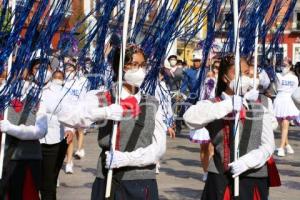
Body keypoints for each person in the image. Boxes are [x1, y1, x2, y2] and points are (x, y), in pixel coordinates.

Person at [57, 44, 167, 200]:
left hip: (141, 181)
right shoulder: (105, 97)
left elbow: (159, 148)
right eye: (134, 65)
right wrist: (104, 112)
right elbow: (66, 116)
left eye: (143, 65)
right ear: (121, 68)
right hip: (107, 178)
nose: (140, 70)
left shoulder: (153, 103)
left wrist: (127, 159)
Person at [184, 55, 275, 200]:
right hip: (221, 178)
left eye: (246, 73)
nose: (243, 78)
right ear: (225, 78)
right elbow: (189, 119)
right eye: (238, 73)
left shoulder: (262, 103)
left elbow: (268, 145)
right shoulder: (214, 104)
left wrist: (248, 161)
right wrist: (228, 104)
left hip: (253, 178)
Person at [0, 58, 51, 200]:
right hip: (5, 159)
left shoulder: (38, 96)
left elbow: (40, 131)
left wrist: (12, 129)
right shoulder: (3, 96)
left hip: (29, 157)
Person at [63, 61, 88, 173]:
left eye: (70, 69)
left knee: (79, 131)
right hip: (65, 114)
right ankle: (69, 161)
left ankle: (78, 151)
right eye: (67, 69)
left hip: (78, 111)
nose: (69, 71)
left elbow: (84, 96)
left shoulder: (81, 82)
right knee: (68, 138)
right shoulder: (62, 82)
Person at [273, 58, 299, 157]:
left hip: (287, 100)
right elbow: (276, 87)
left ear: (290, 66)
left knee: (285, 124)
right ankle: (287, 145)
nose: (283, 67)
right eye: (282, 65)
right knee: (282, 126)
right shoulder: (278, 75)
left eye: (285, 65)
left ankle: (281, 148)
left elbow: (294, 90)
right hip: (279, 100)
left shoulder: (294, 78)